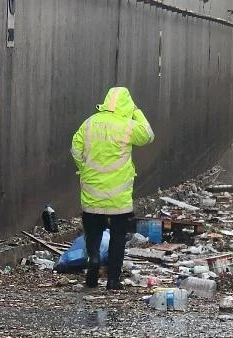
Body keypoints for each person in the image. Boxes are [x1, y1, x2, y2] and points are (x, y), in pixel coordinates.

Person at [71, 87, 154, 290]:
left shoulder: (89, 123)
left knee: (93, 234)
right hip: (119, 198)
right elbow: (148, 135)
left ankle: (93, 264)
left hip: (92, 194)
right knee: (118, 238)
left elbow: (75, 149)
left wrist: (85, 170)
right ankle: (113, 280)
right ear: (126, 105)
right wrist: (136, 110)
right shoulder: (127, 126)